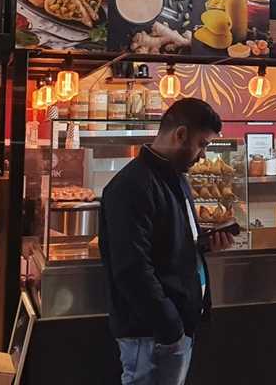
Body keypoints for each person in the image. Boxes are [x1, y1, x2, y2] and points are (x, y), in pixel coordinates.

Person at [99, 98, 234, 385]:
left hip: (174, 330)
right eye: (202, 145)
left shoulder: (177, 178)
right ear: (180, 134)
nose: (203, 156)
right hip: (151, 336)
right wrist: (170, 327)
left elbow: (170, 245)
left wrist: (205, 245)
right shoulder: (129, 187)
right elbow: (131, 269)